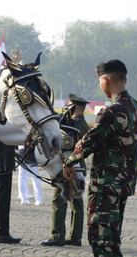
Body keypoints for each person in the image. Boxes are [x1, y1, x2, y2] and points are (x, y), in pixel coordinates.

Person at [63, 59, 137, 257]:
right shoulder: (134, 107)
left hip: (107, 185)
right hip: (123, 184)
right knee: (111, 236)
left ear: (106, 80)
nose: (100, 85)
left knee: (100, 236)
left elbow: (90, 140)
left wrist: (69, 160)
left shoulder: (112, 111)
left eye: (100, 80)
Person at [41, 93, 90, 247]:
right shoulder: (83, 124)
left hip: (69, 167)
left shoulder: (73, 125)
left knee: (59, 200)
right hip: (79, 167)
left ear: (73, 107)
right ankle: (75, 236)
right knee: (76, 202)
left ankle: (57, 235)